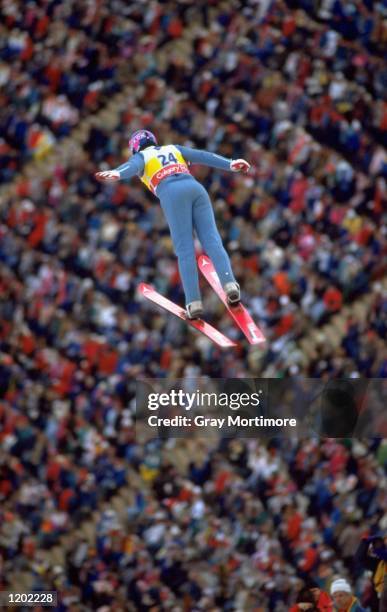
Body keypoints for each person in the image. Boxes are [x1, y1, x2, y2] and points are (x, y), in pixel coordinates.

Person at [95, 129, 250, 319]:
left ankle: (194, 303)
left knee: (185, 250)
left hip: (172, 192)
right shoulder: (172, 148)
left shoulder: (142, 156)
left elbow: (131, 166)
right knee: (212, 240)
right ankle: (230, 285)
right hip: (196, 188)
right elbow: (202, 155)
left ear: (135, 148)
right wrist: (231, 164)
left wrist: (115, 174)